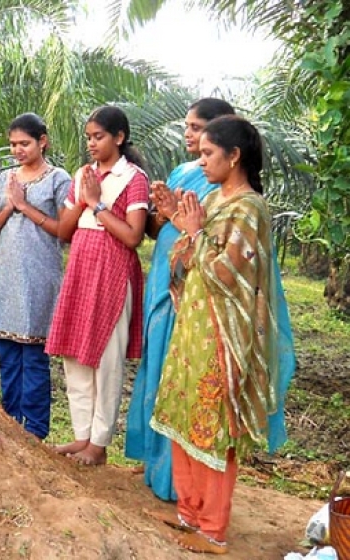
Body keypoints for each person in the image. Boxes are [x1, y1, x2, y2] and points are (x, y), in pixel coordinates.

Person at [126, 99, 296, 502]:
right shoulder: (217, 198)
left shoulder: (249, 207)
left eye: (207, 151)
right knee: (184, 409)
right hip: (192, 321)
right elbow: (189, 258)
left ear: (233, 155)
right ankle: (187, 507)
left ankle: (210, 523)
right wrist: (179, 223)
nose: (200, 160)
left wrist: (195, 233)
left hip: (222, 331)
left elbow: (229, 272)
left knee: (214, 421)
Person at [125, 98, 236, 498]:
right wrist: (160, 211)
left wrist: (176, 216)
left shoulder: (227, 184)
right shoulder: (183, 170)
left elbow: (207, 237)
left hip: (192, 289)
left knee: (181, 375)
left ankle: (178, 480)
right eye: (187, 127)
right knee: (158, 366)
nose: (189, 135)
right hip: (162, 277)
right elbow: (160, 229)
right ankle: (154, 463)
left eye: (197, 128)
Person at [45, 105, 149, 466]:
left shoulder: (134, 178)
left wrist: (97, 203)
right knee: (74, 352)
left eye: (99, 136)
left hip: (113, 272)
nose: (91, 143)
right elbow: (64, 229)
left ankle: (100, 443)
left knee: (106, 357)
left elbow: (133, 237)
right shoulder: (83, 173)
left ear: (118, 138)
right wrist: (83, 197)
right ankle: (81, 435)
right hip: (81, 268)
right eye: (88, 137)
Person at [0, 113, 71, 439]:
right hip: (6, 275)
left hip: (38, 275)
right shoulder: (5, 179)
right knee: (7, 356)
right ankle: (10, 427)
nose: (17, 150)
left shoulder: (58, 179)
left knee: (33, 357)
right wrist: (10, 206)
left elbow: (66, 230)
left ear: (42, 141)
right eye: (13, 144)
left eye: (25, 143)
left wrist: (26, 206)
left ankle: (34, 432)